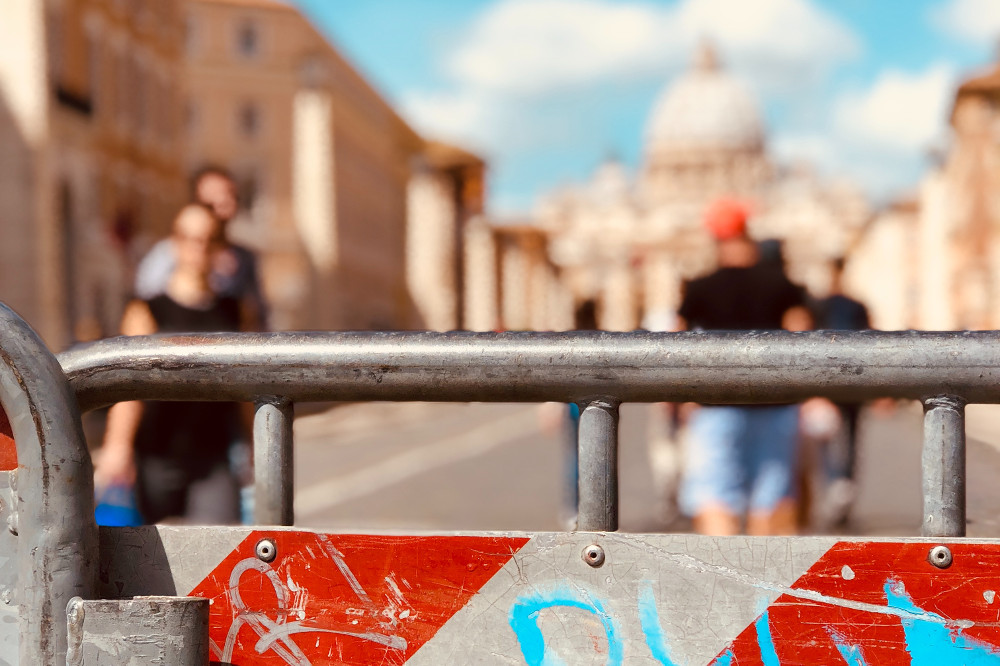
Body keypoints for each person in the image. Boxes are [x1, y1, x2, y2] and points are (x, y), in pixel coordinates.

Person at [94, 204, 243, 524]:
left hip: (212, 457)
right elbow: (128, 387)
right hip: (155, 454)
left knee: (216, 557)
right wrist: (116, 447)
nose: (198, 247)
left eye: (207, 238)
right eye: (189, 237)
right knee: (146, 561)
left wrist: (258, 446)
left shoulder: (236, 311)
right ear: (174, 242)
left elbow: (250, 388)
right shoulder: (147, 310)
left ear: (219, 245)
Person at [677, 199, 811, 536]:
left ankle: (721, 582)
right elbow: (805, 339)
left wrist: (678, 399)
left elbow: (674, 345)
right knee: (772, 496)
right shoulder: (781, 284)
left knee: (715, 495)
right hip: (776, 402)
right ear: (748, 234)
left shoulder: (699, 287)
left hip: (715, 403)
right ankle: (771, 584)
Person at [135, 166, 266, 331]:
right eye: (213, 201)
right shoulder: (163, 256)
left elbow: (257, 318)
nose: (226, 204)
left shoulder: (244, 259)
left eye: (231, 196)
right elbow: (148, 309)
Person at [812, 258, 871, 526]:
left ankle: (836, 483)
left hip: (825, 382)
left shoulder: (818, 305)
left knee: (825, 437)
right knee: (851, 438)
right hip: (855, 381)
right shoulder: (857, 306)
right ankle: (845, 485)